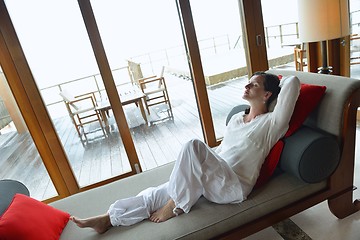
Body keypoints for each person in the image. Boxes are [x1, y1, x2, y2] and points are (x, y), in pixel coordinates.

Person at [70, 71, 300, 234]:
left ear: (268, 95)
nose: (247, 86)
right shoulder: (237, 119)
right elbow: (222, 150)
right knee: (157, 192)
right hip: (215, 177)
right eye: (247, 83)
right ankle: (109, 219)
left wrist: (276, 75)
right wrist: (197, 166)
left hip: (234, 186)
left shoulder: (272, 124)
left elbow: (293, 83)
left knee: (193, 145)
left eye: (254, 85)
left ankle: (175, 205)